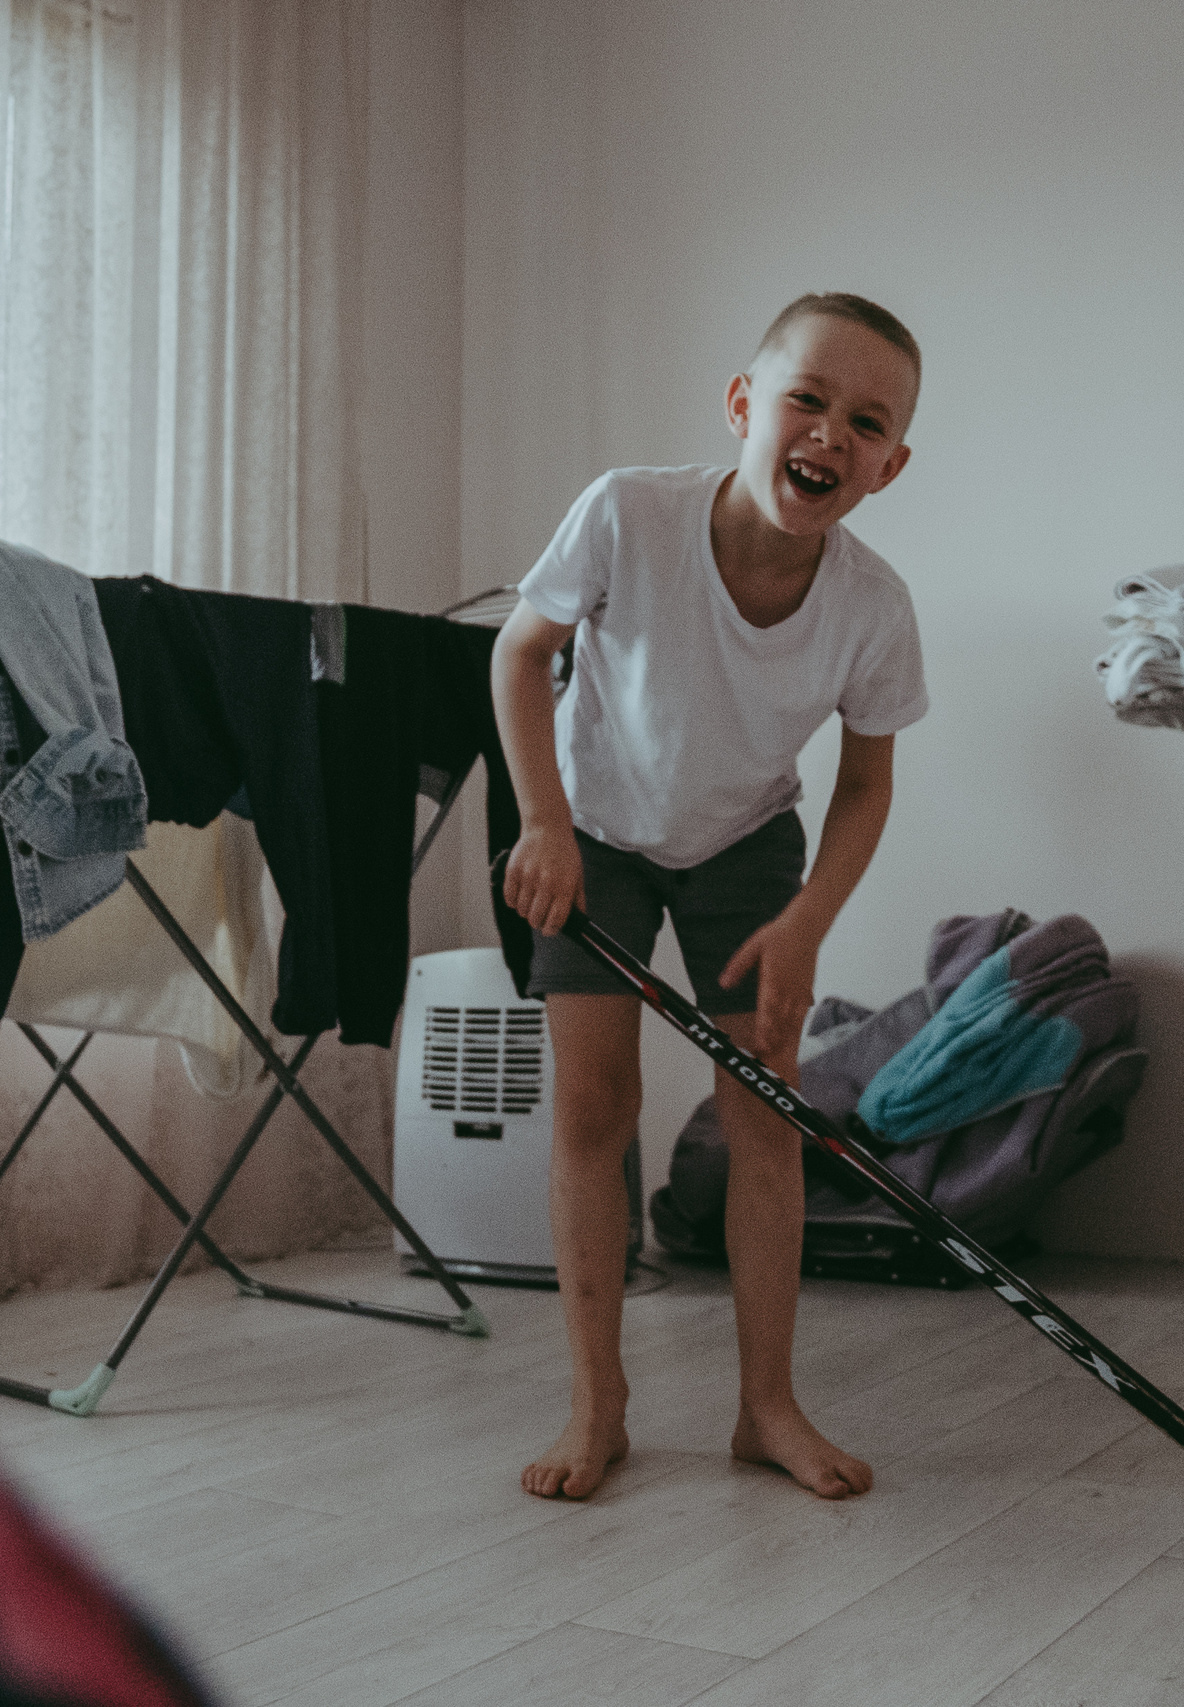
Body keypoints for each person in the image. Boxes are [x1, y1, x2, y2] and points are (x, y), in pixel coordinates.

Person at [492, 293, 929, 1501]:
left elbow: (867, 781)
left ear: (890, 465)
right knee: (593, 1110)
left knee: (766, 1123)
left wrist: (806, 922)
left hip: (746, 849)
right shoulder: (630, 511)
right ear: (745, 406)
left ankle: (765, 1407)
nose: (830, 434)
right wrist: (541, 824)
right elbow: (519, 653)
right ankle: (599, 1403)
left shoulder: (872, 605)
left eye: (866, 422)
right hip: (593, 835)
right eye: (807, 400)